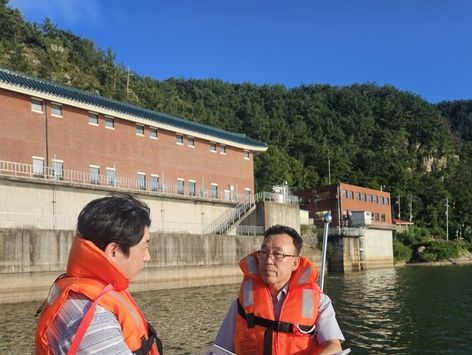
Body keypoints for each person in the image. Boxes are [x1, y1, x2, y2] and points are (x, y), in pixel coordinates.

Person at [35, 194, 162, 354]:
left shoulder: (88, 293)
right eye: (144, 246)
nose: (147, 257)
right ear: (113, 251)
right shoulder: (93, 319)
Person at [213, 224, 345, 355]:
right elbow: (220, 349)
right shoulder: (241, 304)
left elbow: (334, 346)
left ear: (295, 263)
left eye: (278, 254)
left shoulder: (319, 303)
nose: (268, 260)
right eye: (264, 252)